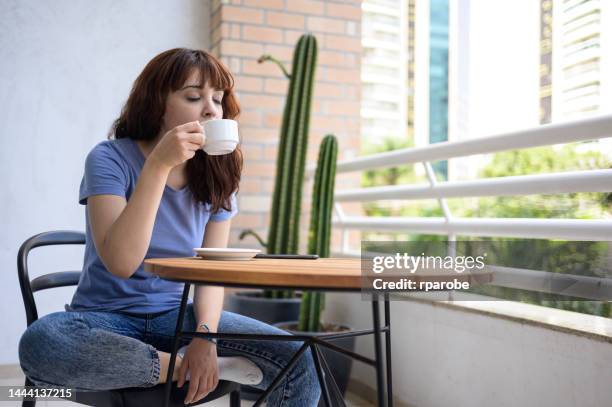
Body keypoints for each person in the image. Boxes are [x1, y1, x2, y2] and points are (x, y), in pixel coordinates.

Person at [18, 48, 321, 406]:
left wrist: (205, 337)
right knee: (43, 343)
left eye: (218, 99)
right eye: (194, 97)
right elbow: (122, 262)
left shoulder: (217, 173)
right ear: (156, 103)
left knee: (300, 358)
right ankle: (186, 368)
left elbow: (213, 271)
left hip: (179, 317)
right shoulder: (109, 158)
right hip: (103, 320)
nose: (210, 108)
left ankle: (199, 360)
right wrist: (158, 166)